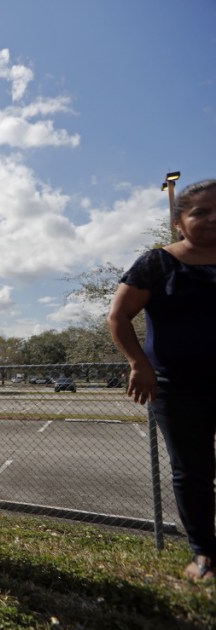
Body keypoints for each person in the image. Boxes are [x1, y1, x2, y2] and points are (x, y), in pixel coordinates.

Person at [109, 178, 216, 582]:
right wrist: (139, 364)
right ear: (179, 222)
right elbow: (118, 317)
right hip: (177, 386)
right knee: (193, 470)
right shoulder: (157, 264)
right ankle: (205, 554)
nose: (211, 218)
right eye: (200, 212)